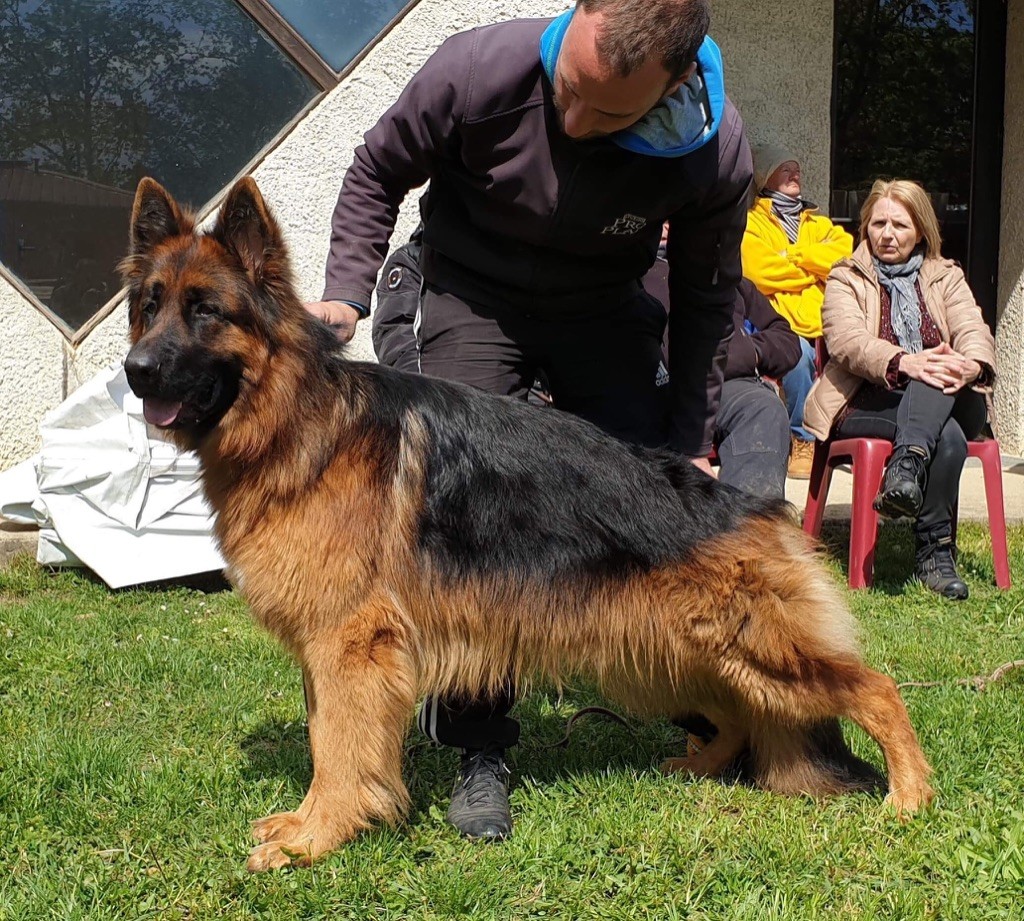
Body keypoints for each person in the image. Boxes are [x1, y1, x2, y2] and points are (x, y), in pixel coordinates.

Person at [308, 0, 754, 841]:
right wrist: (345, 288)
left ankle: (700, 702)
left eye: (611, 112)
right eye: (568, 93)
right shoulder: (479, 69)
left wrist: (692, 441)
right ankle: (479, 745)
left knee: (648, 501)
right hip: (475, 295)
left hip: (601, 310)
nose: (577, 121)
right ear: (575, 15)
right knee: (469, 516)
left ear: (675, 85)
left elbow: (704, 299)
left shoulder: (713, 148)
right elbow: (376, 168)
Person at [804, 179, 996, 600]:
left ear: (922, 231)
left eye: (900, 225)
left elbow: (973, 328)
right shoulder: (846, 277)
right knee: (946, 439)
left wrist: (969, 365)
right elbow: (847, 342)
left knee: (938, 368)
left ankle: (905, 466)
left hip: (953, 396)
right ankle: (934, 555)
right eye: (878, 224)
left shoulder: (946, 276)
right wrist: (906, 362)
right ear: (865, 227)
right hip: (869, 399)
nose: (887, 234)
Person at [742, 146, 853, 479]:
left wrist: (792, 255)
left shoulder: (818, 223)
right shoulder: (751, 223)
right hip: (780, 323)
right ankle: (801, 440)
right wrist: (816, 267)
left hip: (826, 320)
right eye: (785, 168)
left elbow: (844, 256)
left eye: (797, 168)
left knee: (858, 357)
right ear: (765, 177)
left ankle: (846, 437)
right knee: (798, 356)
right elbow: (760, 272)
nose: (795, 174)